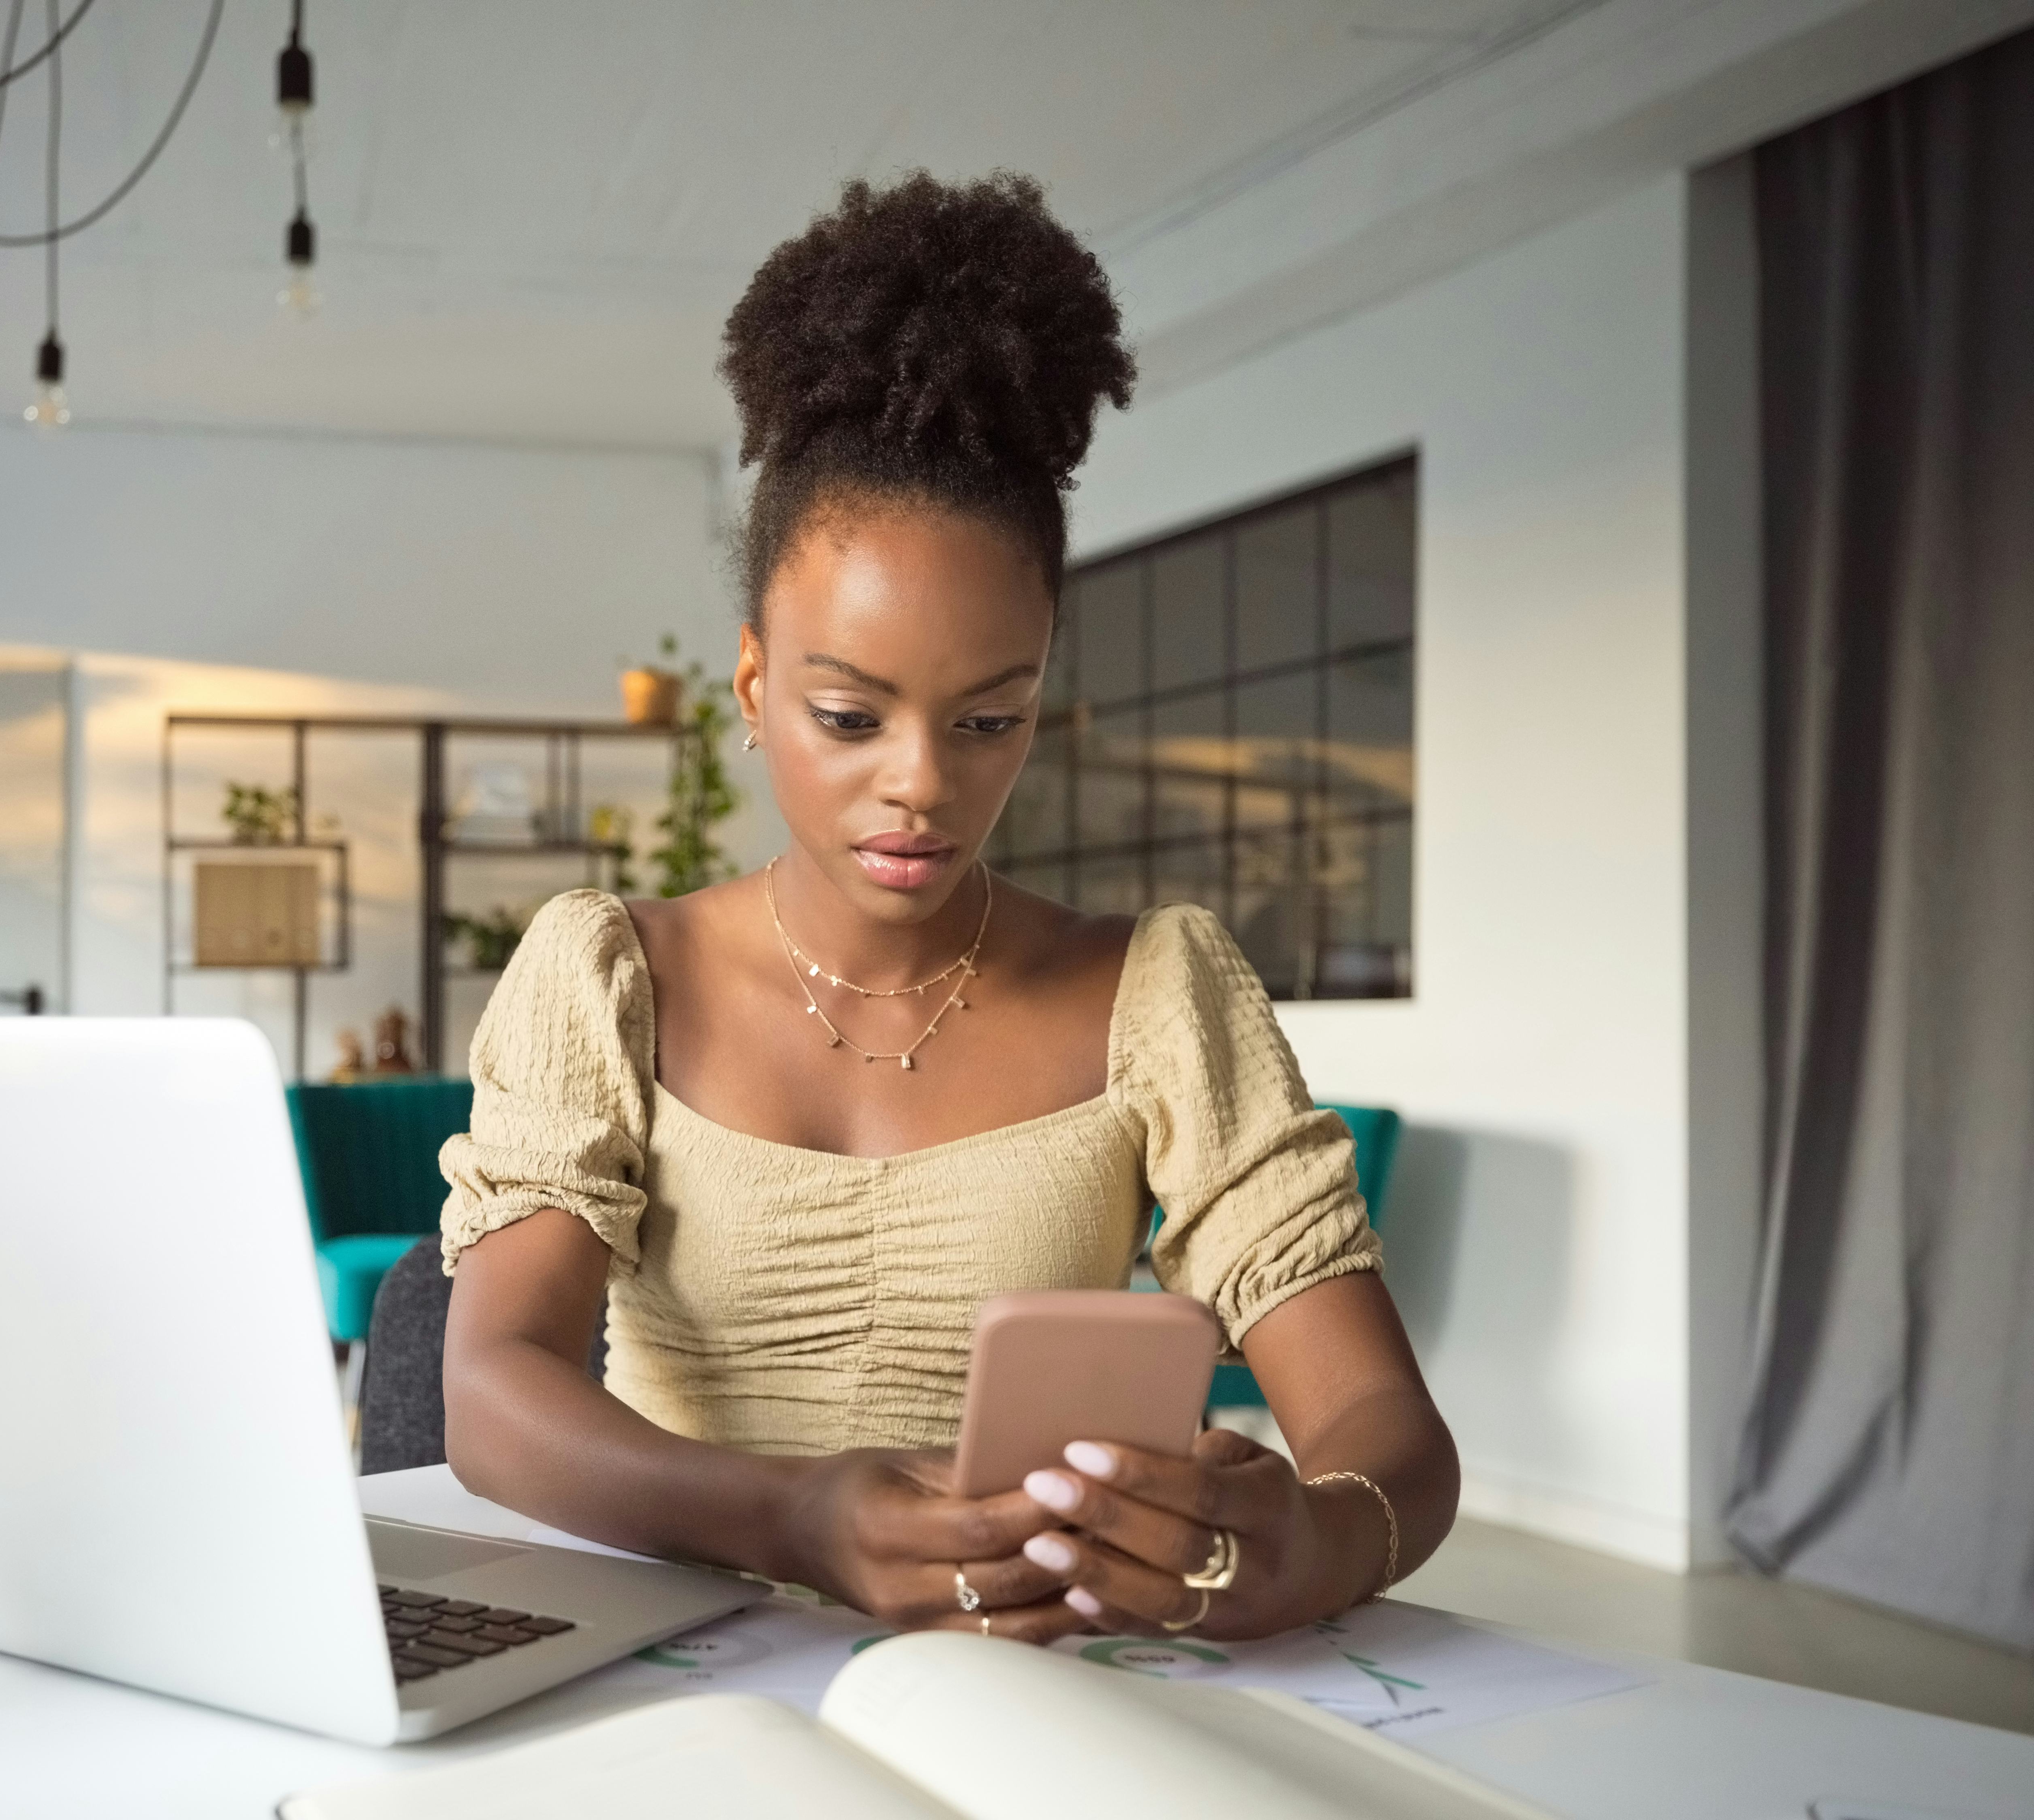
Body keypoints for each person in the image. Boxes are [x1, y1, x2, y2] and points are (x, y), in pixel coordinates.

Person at [438, 172, 1457, 1644]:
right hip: (685, 1692)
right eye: (850, 716)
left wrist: (1320, 1536)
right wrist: (793, 1517)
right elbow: (492, 1392)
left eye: (991, 721)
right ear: (751, 686)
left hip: (1037, 1695)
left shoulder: (1152, 989)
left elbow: (1384, 1424)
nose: (921, 785)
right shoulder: (613, 973)